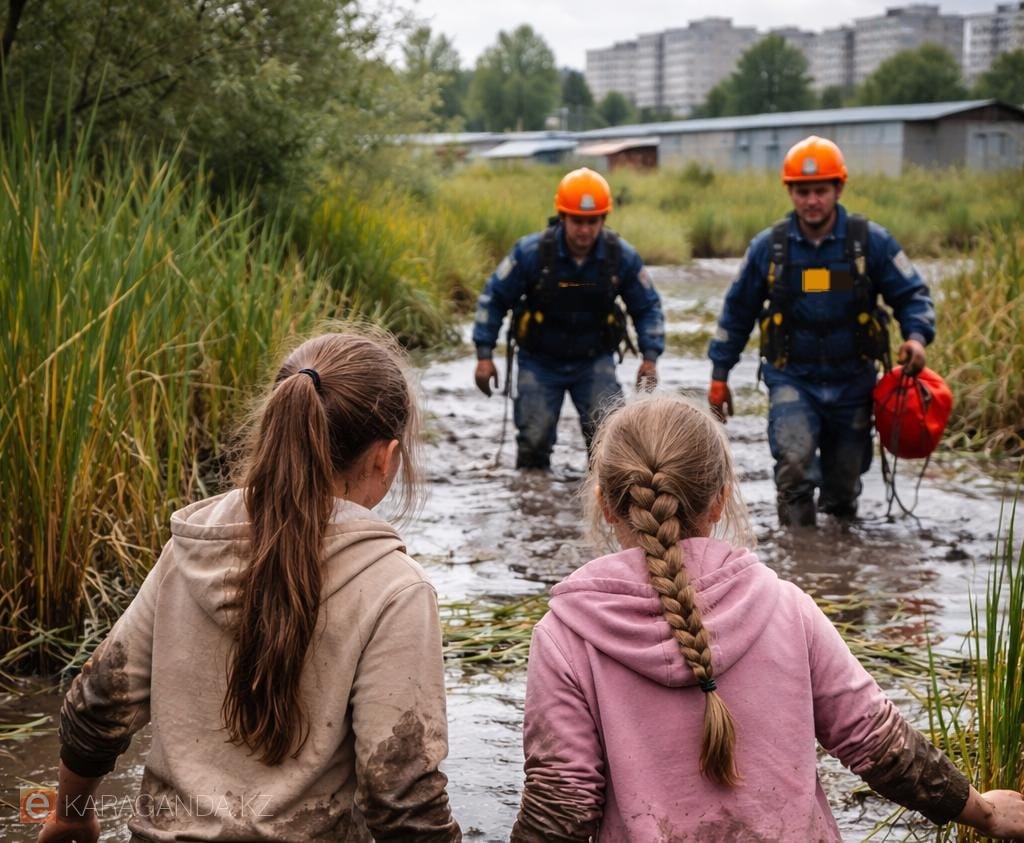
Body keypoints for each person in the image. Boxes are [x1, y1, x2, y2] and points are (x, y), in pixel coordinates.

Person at [510, 394, 1024, 842]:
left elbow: (563, 805)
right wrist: (983, 812)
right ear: (720, 500)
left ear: (605, 504)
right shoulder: (785, 605)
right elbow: (879, 744)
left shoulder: (565, 636)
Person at [39, 329, 462, 843]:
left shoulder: (192, 545)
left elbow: (99, 702)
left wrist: (71, 815)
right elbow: (399, 793)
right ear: (385, 456)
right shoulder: (396, 589)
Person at [707, 135, 936, 527]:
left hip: (854, 382)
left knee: (844, 486)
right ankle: (799, 562)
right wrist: (719, 375)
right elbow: (736, 313)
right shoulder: (770, 248)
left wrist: (916, 337)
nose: (812, 200)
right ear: (790, 192)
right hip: (793, 378)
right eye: (802, 191)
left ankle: (838, 566)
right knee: (794, 465)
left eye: (820, 191)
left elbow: (913, 294)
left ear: (838, 188)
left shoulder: (870, 243)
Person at [472, 166, 665, 470]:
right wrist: (484, 355)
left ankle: (603, 507)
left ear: (603, 219)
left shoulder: (621, 256)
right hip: (539, 360)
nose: (584, 230)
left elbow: (648, 306)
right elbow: (493, 299)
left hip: (594, 360)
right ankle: (535, 508)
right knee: (533, 446)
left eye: (592, 221)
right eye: (577, 221)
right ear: (562, 217)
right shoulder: (530, 253)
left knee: (612, 445)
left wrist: (650, 357)